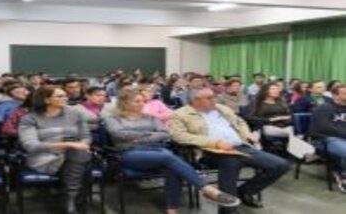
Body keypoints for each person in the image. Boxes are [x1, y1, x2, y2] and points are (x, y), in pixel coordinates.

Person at [103, 88, 240, 214]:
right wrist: (149, 134)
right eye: (137, 101)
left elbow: (165, 133)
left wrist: (139, 136)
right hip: (129, 153)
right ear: (124, 102)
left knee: (172, 167)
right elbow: (118, 134)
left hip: (157, 150)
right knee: (170, 158)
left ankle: (171, 208)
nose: (141, 104)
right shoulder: (112, 118)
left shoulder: (150, 117)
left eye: (143, 101)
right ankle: (207, 189)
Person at [169, 88, 290, 214]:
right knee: (231, 162)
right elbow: (179, 136)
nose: (214, 100)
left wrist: (246, 133)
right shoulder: (180, 114)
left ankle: (244, 191)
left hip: (240, 147)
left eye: (214, 97)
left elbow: (240, 121)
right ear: (196, 101)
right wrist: (214, 143)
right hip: (209, 152)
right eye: (209, 98)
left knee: (281, 165)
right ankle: (228, 210)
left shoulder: (221, 108)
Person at [19, 85, 91, 214]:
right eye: (60, 96)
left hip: (74, 154)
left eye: (65, 95)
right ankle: (72, 202)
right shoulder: (29, 119)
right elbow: (30, 145)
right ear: (46, 100)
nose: (66, 98)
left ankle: (69, 203)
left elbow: (85, 137)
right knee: (80, 162)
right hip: (44, 157)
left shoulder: (75, 113)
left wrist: (80, 145)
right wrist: (66, 145)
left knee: (77, 155)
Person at [310, 84, 346, 192]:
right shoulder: (323, 108)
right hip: (324, 139)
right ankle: (343, 175)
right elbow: (324, 128)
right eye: (344, 93)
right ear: (335, 95)